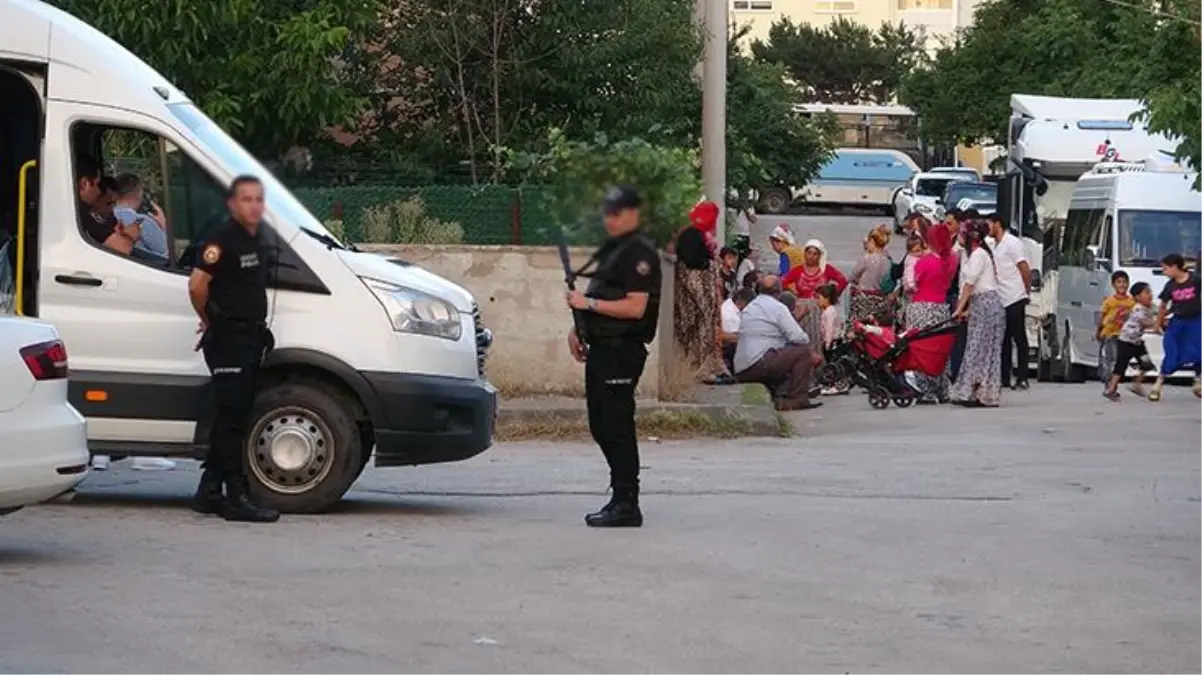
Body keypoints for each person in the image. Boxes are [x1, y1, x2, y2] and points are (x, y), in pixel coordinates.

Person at [565, 185, 662, 528]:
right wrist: (580, 329)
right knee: (600, 424)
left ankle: (626, 503)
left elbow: (635, 308)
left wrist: (587, 305)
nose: (610, 219)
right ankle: (619, 494)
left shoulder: (640, 255)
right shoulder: (615, 252)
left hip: (623, 350)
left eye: (616, 212)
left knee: (617, 426)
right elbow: (601, 296)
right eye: (607, 212)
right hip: (602, 348)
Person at [188, 175, 280, 523]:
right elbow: (197, 285)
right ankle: (236, 497)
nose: (254, 205)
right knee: (233, 420)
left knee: (232, 414)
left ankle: (208, 490)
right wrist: (212, 318)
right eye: (246, 199)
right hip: (229, 339)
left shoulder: (254, 239)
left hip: (248, 336)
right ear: (232, 204)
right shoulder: (221, 238)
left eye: (258, 199)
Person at [732, 275, 821, 411]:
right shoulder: (777, 307)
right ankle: (797, 399)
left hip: (741, 368)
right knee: (803, 352)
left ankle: (781, 393)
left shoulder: (751, 307)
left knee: (785, 352)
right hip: (759, 363)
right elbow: (799, 337)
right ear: (778, 291)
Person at [673, 201, 733, 384]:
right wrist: (707, 266)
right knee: (698, 326)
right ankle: (698, 368)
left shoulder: (696, 233)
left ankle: (705, 366)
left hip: (703, 290)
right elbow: (691, 261)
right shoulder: (691, 235)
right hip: (697, 289)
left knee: (705, 326)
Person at [950, 220, 1006, 408]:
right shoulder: (975, 255)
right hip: (982, 304)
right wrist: (967, 308)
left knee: (980, 350)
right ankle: (977, 390)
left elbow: (969, 284)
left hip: (986, 305)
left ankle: (978, 391)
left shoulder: (979, 255)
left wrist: (959, 308)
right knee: (978, 349)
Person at [907, 221, 958, 404]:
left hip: (921, 307)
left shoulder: (925, 261)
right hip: (941, 307)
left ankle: (926, 390)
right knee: (940, 350)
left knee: (920, 349)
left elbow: (913, 284)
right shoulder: (952, 260)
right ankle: (943, 390)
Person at [1147, 253, 1202, 402]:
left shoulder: (1196, 280)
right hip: (1178, 322)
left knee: (1198, 350)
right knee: (1172, 352)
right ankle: (1158, 384)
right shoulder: (1170, 285)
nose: (1164, 272)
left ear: (1175, 267)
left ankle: (1198, 380)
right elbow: (1163, 306)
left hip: (1196, 321)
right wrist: (1157, 324)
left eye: (1165, 269)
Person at [988, 213, 1032, 390]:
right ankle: (1004, 376)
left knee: (1018, 337)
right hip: (1000, 297)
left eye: (989, 225)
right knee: (1003, 339)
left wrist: (1025, 290)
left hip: (1014, 296)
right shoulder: (993, 245)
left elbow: (1024, 269)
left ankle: (1022, 376)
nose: (988, 228)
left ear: (998, 224)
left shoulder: (1012, 243)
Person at [782, 238, 847, 344]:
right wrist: (795, 295)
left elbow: (842, 281)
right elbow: (783, 282)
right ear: (805, 253)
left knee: (821, 337)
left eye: (815, 254)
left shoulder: (826, 269)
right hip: (803, 309)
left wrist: (831, 297)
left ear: (820, 256)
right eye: (809, 253)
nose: (811, 256)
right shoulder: (798, 270)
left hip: (821, 309)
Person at [1103, 282, 1157, 401]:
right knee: (1121, 366)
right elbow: (1144, 322)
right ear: (1137, 297)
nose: (1150, 295)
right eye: (1146, 293)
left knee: (1146, 363)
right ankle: (1110, 389)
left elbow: (1160, 313)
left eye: (1150, 292)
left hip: (1137, 342)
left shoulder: (1151, 307)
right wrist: (1156, 324)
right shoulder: (1137, 308)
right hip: (1126, 342)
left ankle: (1136, 385)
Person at [112, 173, 170, 263]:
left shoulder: (106, 219)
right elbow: (166, 255)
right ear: (137, 194)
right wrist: (163, 226)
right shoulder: (142, 222)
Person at [847, 225, 893, 325]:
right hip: (881, 300)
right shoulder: (888, 261)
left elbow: (853, 277)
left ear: (872, 241)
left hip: (864, 299)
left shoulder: (867, 258)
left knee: (860, 328)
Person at [1095, 271, 1134, 387]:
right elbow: (1102, 318)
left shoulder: (1131, 302)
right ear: (1113, 285)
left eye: (1124, 282)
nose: (1122, 285)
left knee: (1120, 361)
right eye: (1119, 282)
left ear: (1128, 284)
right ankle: (1110, 384)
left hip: (1125, 335)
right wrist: (1098, 332)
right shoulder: (1109, 301)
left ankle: (1112, 382)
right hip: (1110, 334)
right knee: (1111, 360)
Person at [720, 288, 754, 373]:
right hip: (728, 347)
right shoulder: (729, 314)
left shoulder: (733, 306)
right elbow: (732, 338)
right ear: (740, 301)